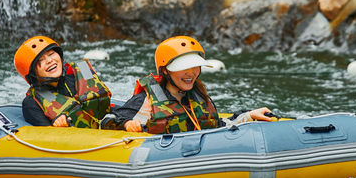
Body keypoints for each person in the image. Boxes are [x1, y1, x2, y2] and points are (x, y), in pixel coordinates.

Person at [103, 36, 273, 133]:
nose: (191, 73)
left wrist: (250, 115)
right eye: (183, 68)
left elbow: (220, 126)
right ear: (166, 71)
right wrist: (125, 124)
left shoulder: (196, 97)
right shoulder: (146, 101)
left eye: (194, 67)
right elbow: (107, 119)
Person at [14, 35, 112, 128]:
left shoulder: (83, 70)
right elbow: (45, 136)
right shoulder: (32, 103)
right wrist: (56, 126)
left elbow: (109, 107)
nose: (49, 60)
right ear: (32, 74)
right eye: (40, 61)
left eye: (51, 54)